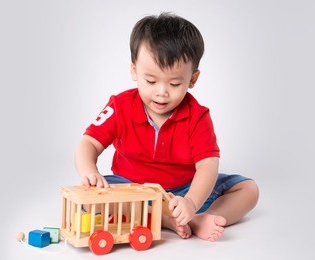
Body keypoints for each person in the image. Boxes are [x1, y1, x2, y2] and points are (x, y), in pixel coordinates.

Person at [75, 13, 259, 242]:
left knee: (248, 190)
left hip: (184, 190)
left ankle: (200, 218)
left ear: (193, 79)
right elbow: (88, 143)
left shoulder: (198, 116)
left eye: (174, 84)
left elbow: (208, 166)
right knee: (94, 199)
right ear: (134, 70)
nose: (162, 92)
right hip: (132, 189)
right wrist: (89, 172)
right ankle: (164, 219)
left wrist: (191, 202)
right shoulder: (119, 106)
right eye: (151, 81)